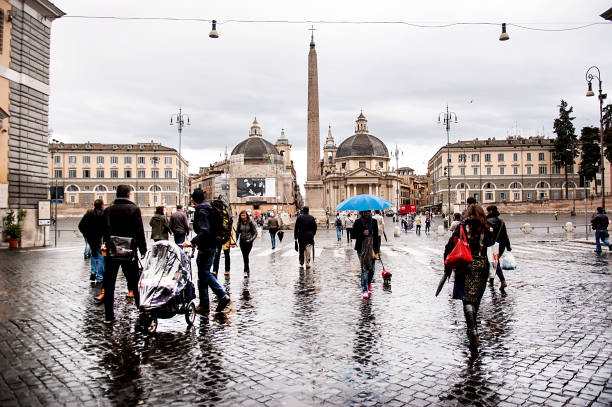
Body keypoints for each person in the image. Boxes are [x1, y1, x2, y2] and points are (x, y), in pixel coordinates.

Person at [444, 204, 494, 351]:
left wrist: (447, 267)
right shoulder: (487, 228)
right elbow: (491, 246)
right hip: (482, 266)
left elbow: (449, 247)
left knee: (467, 298)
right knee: (476, 298)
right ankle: (474, 327)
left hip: (465, 264)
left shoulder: (462, 228)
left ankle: (471, 329)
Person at [101, 185, 147, 324]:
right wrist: (143, 249)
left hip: (112, 250)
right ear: (128, 194)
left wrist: (106, 243)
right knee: (134, 282)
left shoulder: (108, 210)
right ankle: (142, 311)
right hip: (129, 251)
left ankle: (109, 316)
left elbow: (105, 230)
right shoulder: (134, 209)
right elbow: (139, 230)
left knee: (109, 283)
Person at [185, 188, 231, 313]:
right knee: (202, 274)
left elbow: (205, 230)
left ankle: (221, 295)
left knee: (204, 273)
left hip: (206, 246)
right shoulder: (209, 208)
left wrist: (192, 241)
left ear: (193, 199)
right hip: (211, 244)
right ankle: (204, 304)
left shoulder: (201, 210)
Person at [78, 199, 106, 298]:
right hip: (100, 239)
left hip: (91, 239)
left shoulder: (89, 214)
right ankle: (100, 277)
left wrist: (87, 234)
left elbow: (81, 226)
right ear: (102, 205)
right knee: (101, 257)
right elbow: (107, 228)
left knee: (94, 255)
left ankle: (93, 273)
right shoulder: (103, 214)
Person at [353, 210, 380, 299]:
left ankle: (368, 283)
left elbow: (376, 236)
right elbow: (353, 235)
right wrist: (362, 233)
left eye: (368, 212)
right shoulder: (357, 222)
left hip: (372, 248)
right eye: (365, 212)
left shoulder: (374, 221)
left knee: (372, 269)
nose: (366, 214)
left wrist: (377, 250)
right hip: (361, 248)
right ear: (361, 213)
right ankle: (364, 290)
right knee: (364, 269)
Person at [486, 205, 511, 290]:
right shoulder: (501, 222)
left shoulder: (487, 221)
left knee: (494, 262)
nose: (487, 212)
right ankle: (491, 280)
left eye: (488, 211)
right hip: (501, 245)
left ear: (491, 211)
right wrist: (508, 247)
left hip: (491, 245)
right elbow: (505, 235)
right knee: (494, 261)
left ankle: (502, 281)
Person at [235, 210, 258, 277]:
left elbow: (255, 233)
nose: (243, 217)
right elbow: (237, 233)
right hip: (242, 242)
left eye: (244, 215)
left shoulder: (250, 223)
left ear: (246, 215)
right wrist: (235, 241)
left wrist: (250, 240)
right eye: (241, 215)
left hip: (249, 242)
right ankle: (246, 270)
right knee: (245, 256)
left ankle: (246, 270)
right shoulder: (239, 223)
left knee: (246, 255)